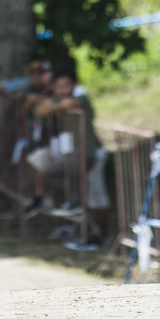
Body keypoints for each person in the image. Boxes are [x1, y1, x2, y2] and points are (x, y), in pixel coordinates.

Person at [24, 69, 111, 243]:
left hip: (92, 153)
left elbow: (68, 104)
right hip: (73, 154)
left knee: (97, 197)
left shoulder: (81, 97)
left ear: (73, 86)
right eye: (58, 86)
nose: (63, 90)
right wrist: (50, 105)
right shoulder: (58, 98)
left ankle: (102, 235)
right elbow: (40, 111)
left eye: (66, 86)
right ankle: (76, 218)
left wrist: (52, 106)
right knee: (56, 176)